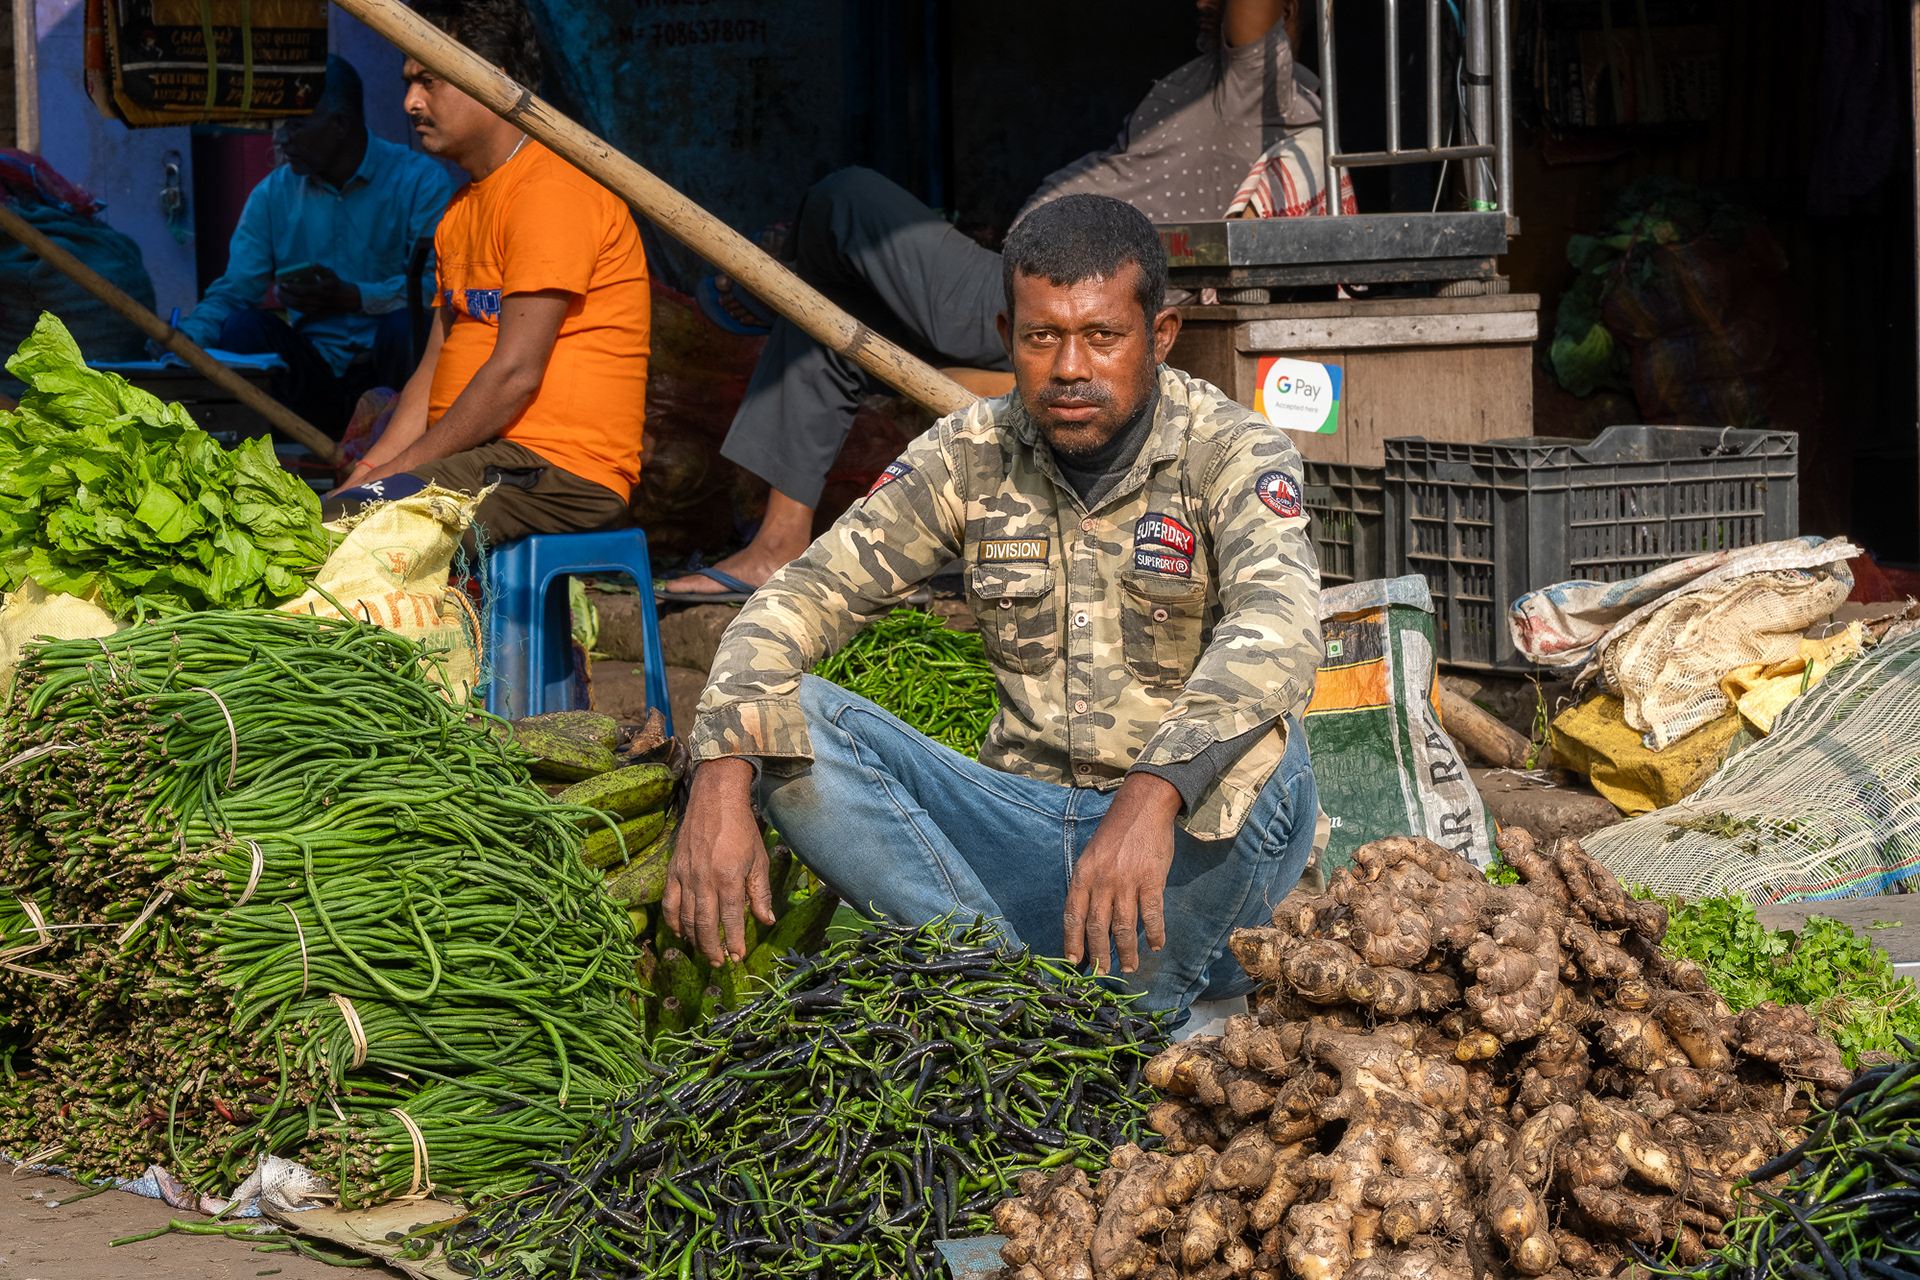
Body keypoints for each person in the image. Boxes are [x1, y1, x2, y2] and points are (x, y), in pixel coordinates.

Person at [662, 195, 1323, 1025]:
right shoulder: (968, 453)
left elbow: (1280, 627)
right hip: (1027, 832)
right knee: (782, 720)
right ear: (1009, 335)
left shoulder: (1230, 450)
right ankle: (1002, 998)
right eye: (1043, 338)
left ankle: (1115, 1014)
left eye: (1103, 337)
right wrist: (721, 776)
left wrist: (1154, 795)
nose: (1070, 367)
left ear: (1159, 335)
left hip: (1189, 851)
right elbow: (802, 594)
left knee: (1266, 751)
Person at [665, 0, 1335, 598]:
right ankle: (778, 547)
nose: (1202, 2)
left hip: (1050, 297)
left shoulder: (1250, 89)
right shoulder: (1204, 87)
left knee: (848, 196)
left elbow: (1258, 17)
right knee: (823, 308)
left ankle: (774, 272)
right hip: (1019, 287)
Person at [322, 0, 651, 553]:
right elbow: (431, 369)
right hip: (487, 458)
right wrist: (373, 468)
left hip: (556, 471)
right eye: (408, 82)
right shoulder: (460, 208)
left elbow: (515, 375)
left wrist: (396, 477)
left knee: (368, 532)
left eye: (429, 81)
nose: (410, 102)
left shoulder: (551, 189)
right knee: (331, 516)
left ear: (493, 80)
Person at [179, 56, 454, 436]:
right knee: (241, 326)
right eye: (277, 125)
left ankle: (405, 445)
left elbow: (435, 288)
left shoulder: (420, 181)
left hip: (391, 374)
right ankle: (268, 453)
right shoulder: (272, 195)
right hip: (314, 376)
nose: (279, 139)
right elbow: (235, 290)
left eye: (293, 124)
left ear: (339, 124)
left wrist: (353, 297)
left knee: (404, 328)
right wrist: (187, 338)